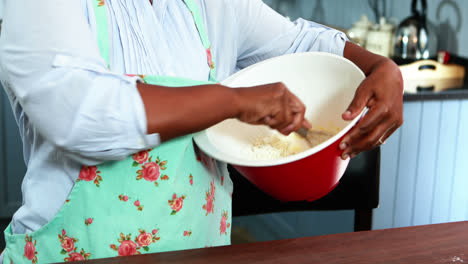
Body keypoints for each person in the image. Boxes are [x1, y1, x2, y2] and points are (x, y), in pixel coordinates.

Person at [0, 0, 403, 263]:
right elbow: (77, 115)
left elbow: (302, 42)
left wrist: (381, 68)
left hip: (200, 252)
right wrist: (233, 100)